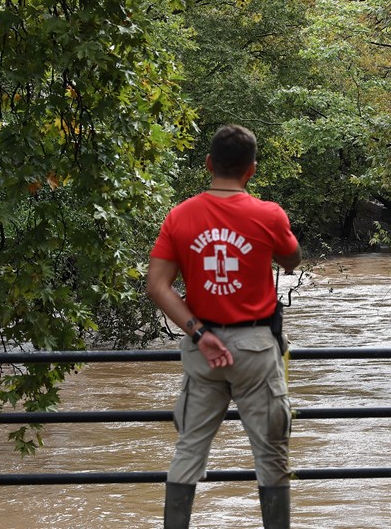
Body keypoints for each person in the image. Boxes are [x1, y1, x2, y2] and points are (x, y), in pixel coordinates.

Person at [147, 124, 302, 529]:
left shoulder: (179, 216)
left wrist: (198, 333)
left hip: (204, 348)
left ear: (208, 164)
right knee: (271, 456)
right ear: (251, 170)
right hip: (255, 348)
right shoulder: (269, 214)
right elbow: (292, 260)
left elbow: (157, 286)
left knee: (189, 451)